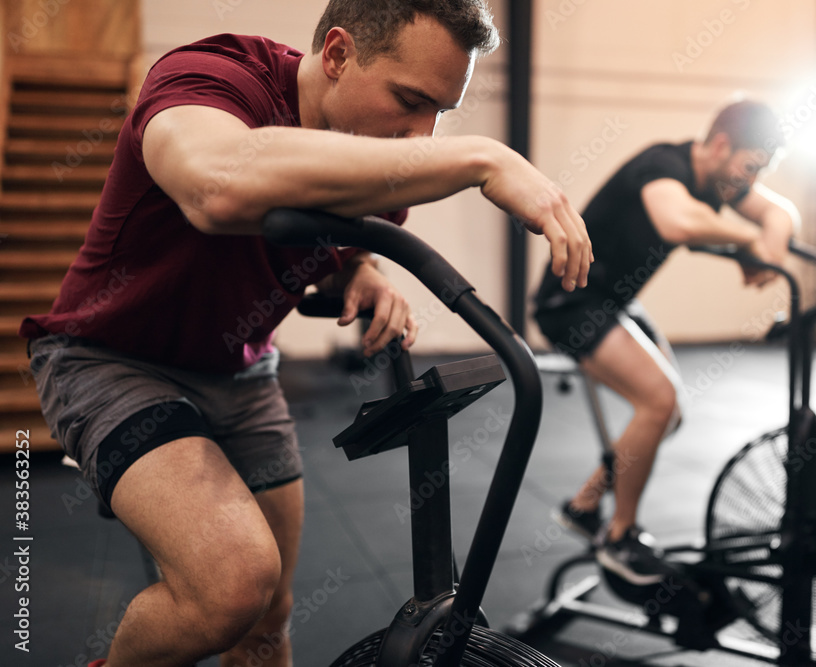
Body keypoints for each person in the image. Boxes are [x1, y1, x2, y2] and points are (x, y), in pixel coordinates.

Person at [20, 2, 592, 665]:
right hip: (110, 358)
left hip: (241, 369)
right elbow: (217, 186)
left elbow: (327, 242)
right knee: (231, 587)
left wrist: (361, 270)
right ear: (339, 54)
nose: (422, 135)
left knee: (267, 619)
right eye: (409, 99)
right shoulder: (213, 76)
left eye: (442, 112)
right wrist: (482, 157)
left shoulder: (380, 164)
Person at [534, 99, 800, 585]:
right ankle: (620, 537)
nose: (749, 184)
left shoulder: (722, 180)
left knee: (668, 414)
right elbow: (677, 222)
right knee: (659, 400)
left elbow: (782, 214)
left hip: (613, 302)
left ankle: (585, 505)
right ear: (721, 145)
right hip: (570, 301)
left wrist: (769, 253)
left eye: (759, 172)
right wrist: (747, 242)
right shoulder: (664, 164)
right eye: (749, 167)